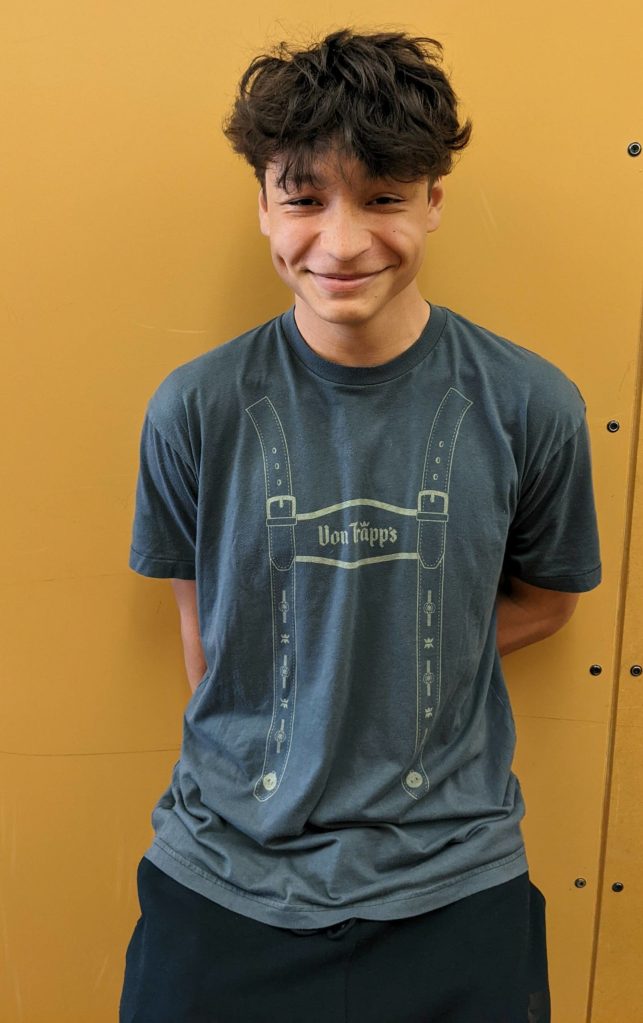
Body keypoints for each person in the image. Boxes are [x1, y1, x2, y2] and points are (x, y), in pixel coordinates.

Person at [119, 29, 601, 1023]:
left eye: (382, 198)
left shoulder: (532, 406)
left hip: (454, 880)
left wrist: (389, 653)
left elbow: (548, 603)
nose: (341, 243)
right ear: (263, 204)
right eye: (304, 198)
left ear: (433, 199)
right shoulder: (193, 409)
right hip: (222, 878)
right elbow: (204, 630)